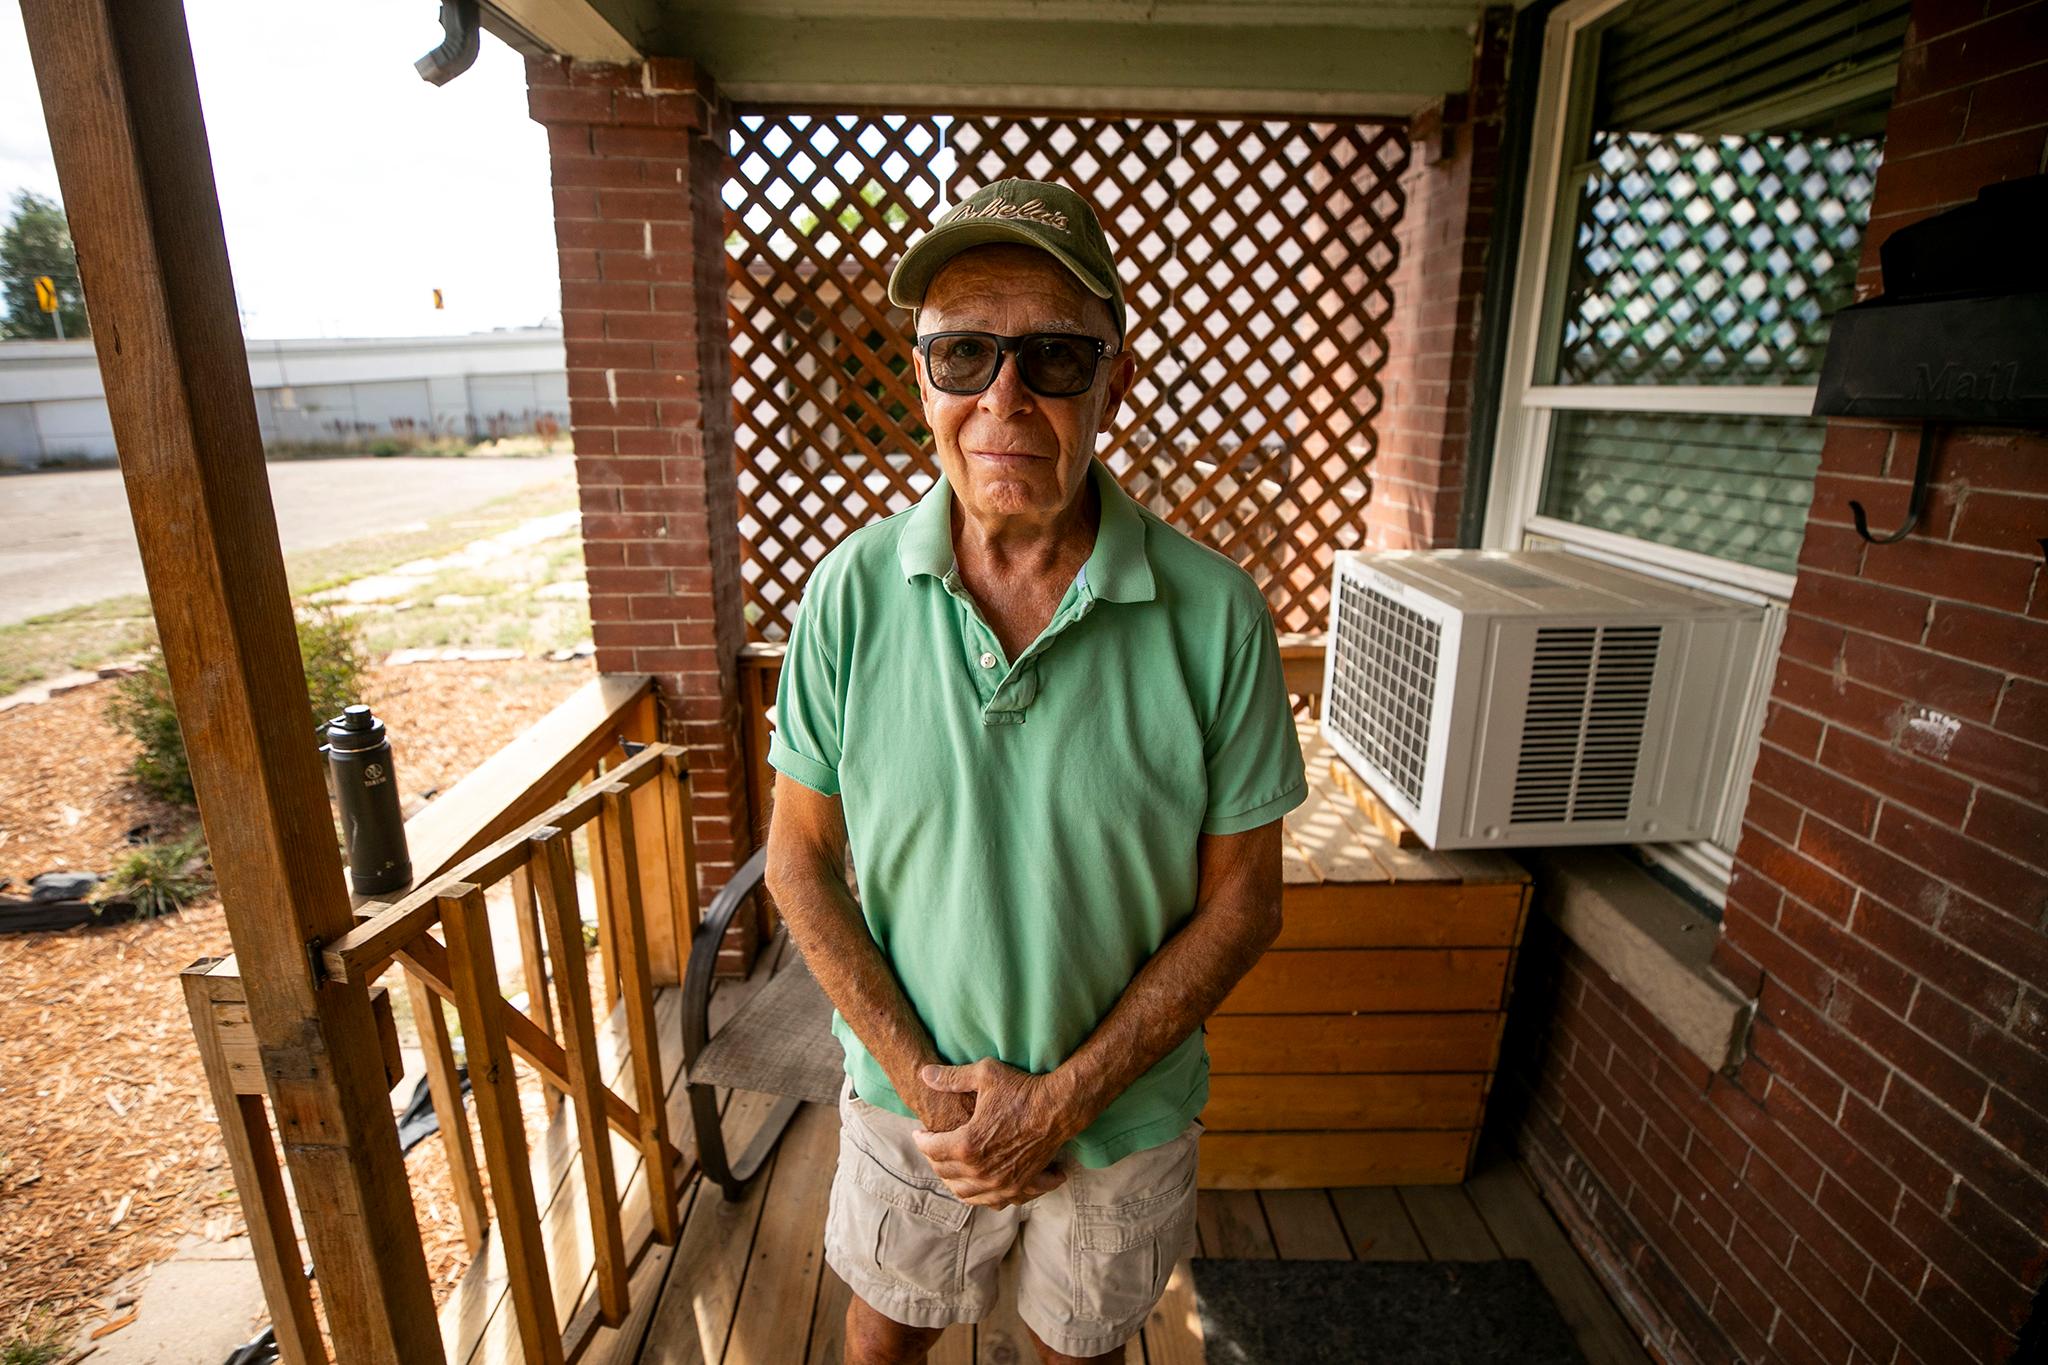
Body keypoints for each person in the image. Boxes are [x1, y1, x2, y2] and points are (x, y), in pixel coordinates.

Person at [762, 176, 1307, 1365]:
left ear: (1112, 373)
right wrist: (931, 1088)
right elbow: (797, 863)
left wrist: (1059, 1101)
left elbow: (1245, 902)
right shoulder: (848, 596)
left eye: (1052, 357)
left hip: (1120, 1119)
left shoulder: (1215, 615)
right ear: (921, 377)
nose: (1002, 397)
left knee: (1080, 1355)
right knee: (881, 1339)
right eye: (963, 354)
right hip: (912, 1109)